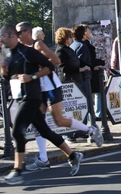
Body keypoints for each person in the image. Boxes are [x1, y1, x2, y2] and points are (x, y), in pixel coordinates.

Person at [0, 25, 84, 185]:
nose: (1, 39)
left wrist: (32, 76)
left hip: (32, 97)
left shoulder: (27, 52)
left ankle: (17, 171)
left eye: (3, 35)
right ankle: (73, 155)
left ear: (12, 35)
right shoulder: (10, 56)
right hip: (21, 97)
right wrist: (3, 67)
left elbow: (50, 66)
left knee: (17, 132)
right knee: (45, 131)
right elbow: (6, 78)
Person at [15, 23, 102, 171]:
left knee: (59, 120)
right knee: (39, 124)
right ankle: (43, 158)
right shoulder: (21, 49)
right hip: (37, 88)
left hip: (50, 86)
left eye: (20, 33)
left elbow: (56, 61)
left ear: (28, 32)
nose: (18, 36)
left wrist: (38, 67)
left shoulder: (38, 45)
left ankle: (90, 130)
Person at [82, 26, 106, 121]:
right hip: (91, 71)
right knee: (94, 92)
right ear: (84, 33)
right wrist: (100, 62)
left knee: (94, 92)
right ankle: (96, 114)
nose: (90, 32)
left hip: (92, 70)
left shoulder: (85, 44)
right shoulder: (84, 45)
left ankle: (95, 114)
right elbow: (88, 59)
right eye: (88, 31)